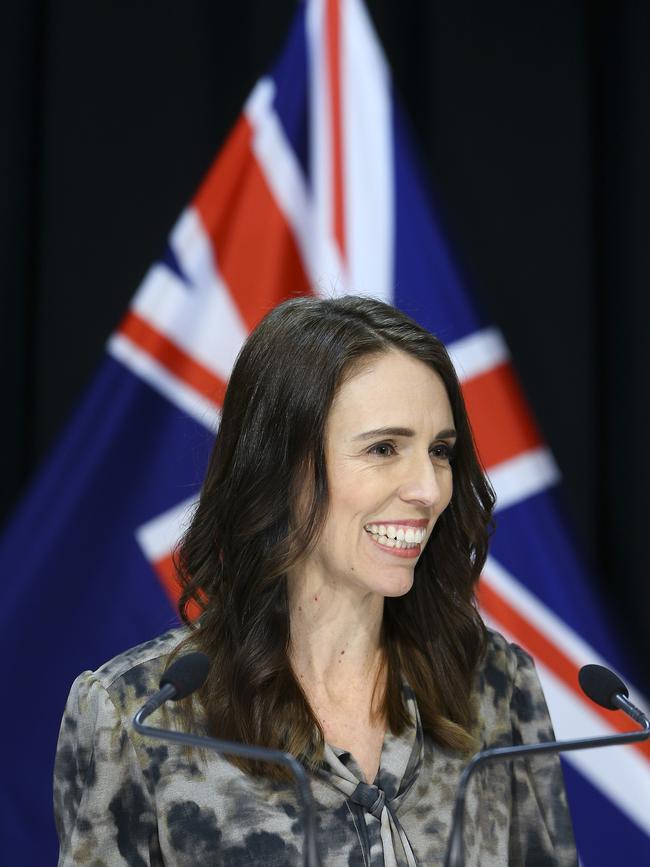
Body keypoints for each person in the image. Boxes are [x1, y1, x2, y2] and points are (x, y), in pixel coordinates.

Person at [54, 295, 578, 866]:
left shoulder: (496, 682)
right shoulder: (138, 716)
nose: (429, 489)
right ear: (280, 468)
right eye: (384, 448)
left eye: (440, 451)